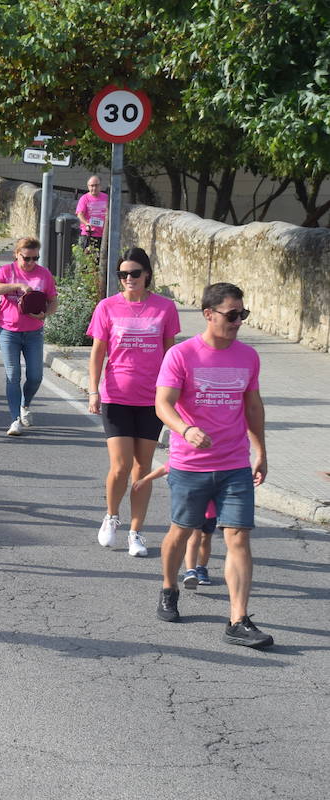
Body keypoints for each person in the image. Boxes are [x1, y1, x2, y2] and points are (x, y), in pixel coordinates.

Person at [153, 283, 271, 648]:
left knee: (238, 537)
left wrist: (261, 451)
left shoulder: (248, 357)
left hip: (235, 463)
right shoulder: (182, 355)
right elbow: (163, 405)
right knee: (181, 532)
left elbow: (252, 407)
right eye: (232, 314)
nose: (238, 321)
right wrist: (186, 430)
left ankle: (237, 619)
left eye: (242, 314)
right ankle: (169, 587)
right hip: (190, 464)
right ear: (208, 314)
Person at [86, 247, 180, 556]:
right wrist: (93, 390)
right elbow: (98, 352)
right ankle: (112, 517)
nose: (129, 279)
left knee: (143, 468)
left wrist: (176, 397)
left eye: (135, 274)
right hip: (116, 395)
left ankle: (136, 532)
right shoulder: (107, 307)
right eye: (123, 274)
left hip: (153, 400)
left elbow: (171, 356)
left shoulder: (165, 308)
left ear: (147, 275)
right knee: (121, 465)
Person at [0, 237, 58, 437]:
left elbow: (53, 301)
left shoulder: (44, 274)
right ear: (16, 254)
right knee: (13, 375)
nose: (30, 262)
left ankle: (25, 404)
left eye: (35, 258)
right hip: (9, 331)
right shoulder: (7, 271)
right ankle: (14, 420)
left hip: (34, 332)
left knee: (36, 376)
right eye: (26, 258)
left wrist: (46, 314)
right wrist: (17, 286)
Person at [76, 175, 107, 250]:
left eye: (96, 185)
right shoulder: (84, 198)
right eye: (92, 186)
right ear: (88, 186)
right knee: (86, 259)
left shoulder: (106, 198)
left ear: (100, 186)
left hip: (103, 235)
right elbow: (79, 214)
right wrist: (87, 223)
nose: (94, 188)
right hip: (88, 234)